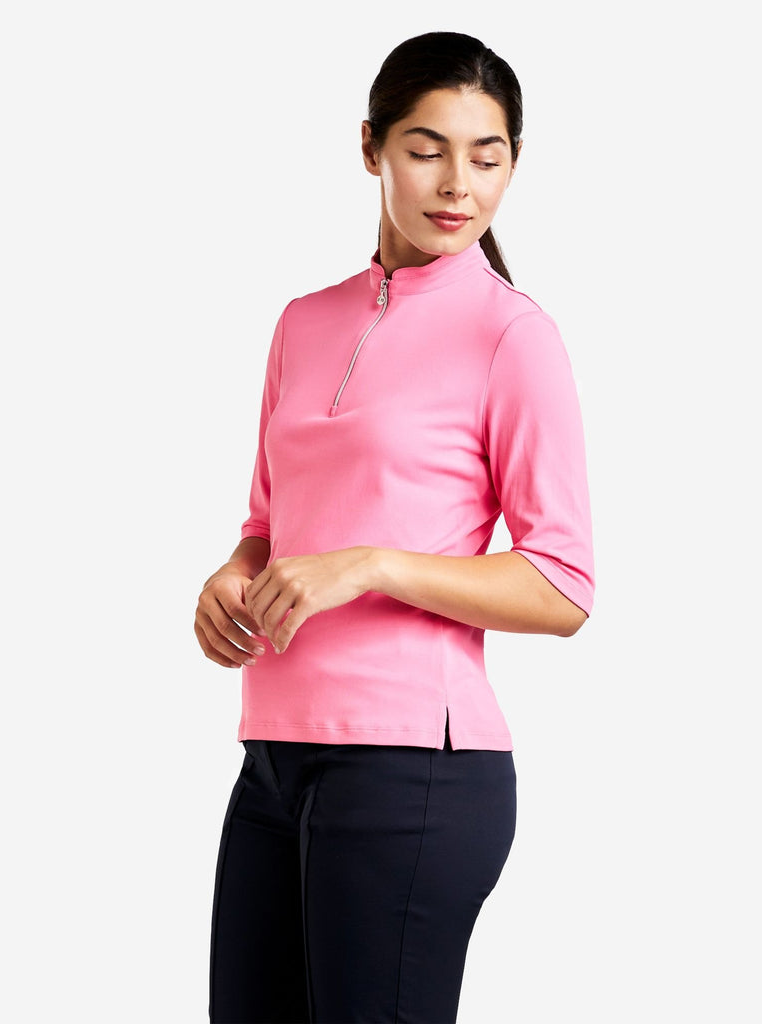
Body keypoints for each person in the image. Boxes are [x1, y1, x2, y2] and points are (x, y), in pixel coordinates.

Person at [194, 30, 596, 1024]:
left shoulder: (512, 336)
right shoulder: (302, 321)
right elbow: (269, 522)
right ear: (371, 146)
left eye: (487, 157)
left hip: (415, 768)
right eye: (426, 149)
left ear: (511, 164)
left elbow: (562, 585)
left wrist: (370, 565)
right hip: (273, 754)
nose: (457, 184)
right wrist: (233, 575)